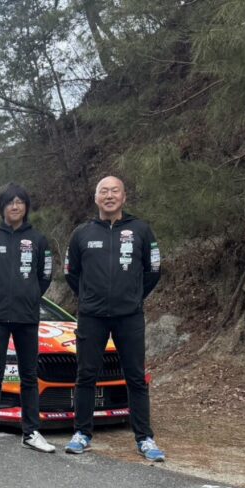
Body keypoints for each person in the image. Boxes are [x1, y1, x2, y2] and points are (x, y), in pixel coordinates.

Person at [64, 175, 165, 461]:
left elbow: (153, 270)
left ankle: (144, 438)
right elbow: (71, 273)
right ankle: (82, 433)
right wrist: (88, 298)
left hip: (129, 316)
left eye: (115, 191)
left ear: (124, 196)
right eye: (104, 191)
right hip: (92, 317)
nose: (109, 196)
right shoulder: (81, 233)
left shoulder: (141, 230)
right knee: (86, 375)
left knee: (135, 377)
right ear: (96, 198)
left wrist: (133, 296)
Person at [0, 183, 56, 454]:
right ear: (2, 207)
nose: (15, 206)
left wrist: (31, 295)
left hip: (27, 316)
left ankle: (31, 432)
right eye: (10, 202)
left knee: (29, 375)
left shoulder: (39, 240)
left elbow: (45, 275)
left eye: (20, 202)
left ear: (26, 207)